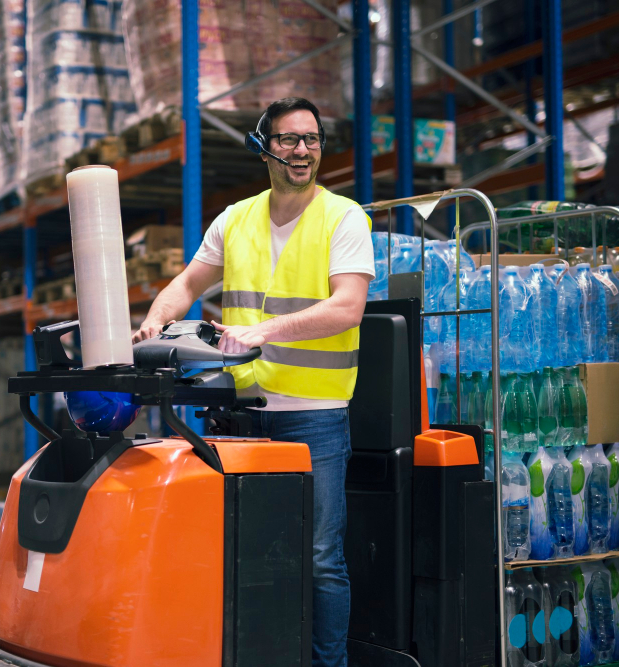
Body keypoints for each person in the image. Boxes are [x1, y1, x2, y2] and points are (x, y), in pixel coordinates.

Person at [132, 97, 374, 667]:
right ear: (263, 146)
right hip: (242, 413)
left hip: (313, 415)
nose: (302, 151)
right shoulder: (235, 219)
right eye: (289, 139)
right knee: (241, 549)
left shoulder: (344, 218)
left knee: (319, 558)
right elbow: (186, 283)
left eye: (312, 140)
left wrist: (264, 330)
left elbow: (348, 308)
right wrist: (154, 319)